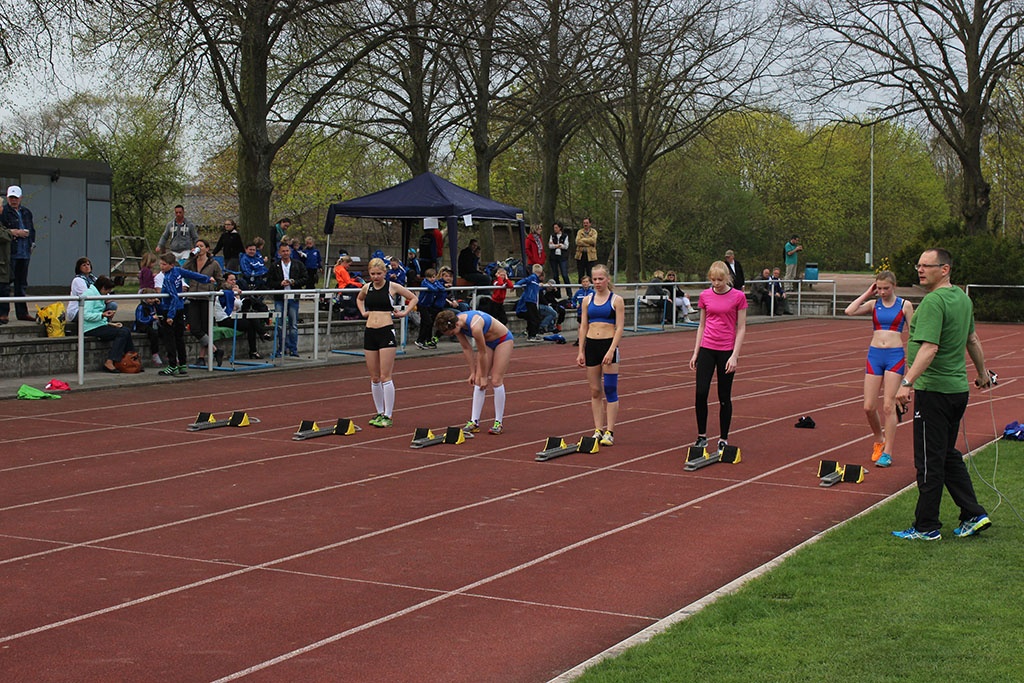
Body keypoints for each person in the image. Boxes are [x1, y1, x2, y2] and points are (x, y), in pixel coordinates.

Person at [892, 248, 993, 541]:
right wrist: (982, 373)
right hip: (956, 391)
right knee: (946, 454)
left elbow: (929, 348)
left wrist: (906, 382)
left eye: (927, 265)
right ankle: (973, 513)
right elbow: (972, 339)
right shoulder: (962, 298)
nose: (920, 270)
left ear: (945, 269)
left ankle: (926, 526)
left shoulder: (934, 302)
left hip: (934, 391)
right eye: (918, 265)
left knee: (929, 460)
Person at [844, 271, 915, 468]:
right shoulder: (874, 304)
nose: (883, 292)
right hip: (875, 355)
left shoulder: (905, 305)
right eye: (880, 289)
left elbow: (914, 334)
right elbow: (849, 311)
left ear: (894, 286)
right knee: (868, 407)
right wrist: (868, 293)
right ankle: (879, 439)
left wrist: (910, 367)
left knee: (888, 406)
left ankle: (888, 452)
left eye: (886, 288)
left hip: (894, 356)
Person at [689, 260, 747, 455]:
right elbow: (702, 325)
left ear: (727, 278)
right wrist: (696, 352)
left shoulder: (738, 296)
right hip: (707, 347)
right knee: (701, 392)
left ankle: (723, 438)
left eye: (720, 280)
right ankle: (701, 436)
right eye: (713, 280)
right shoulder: (705, 296)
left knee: (724, 396)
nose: (716, 283)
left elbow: (741, 327)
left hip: (726, 350)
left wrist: (735, 356)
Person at [357, 257, 418, 427]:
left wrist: (405, 312)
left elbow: (413, 298)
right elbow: (359, 299)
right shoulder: (367, 287)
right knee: (374, 377)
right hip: (370, 332)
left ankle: (388, 415)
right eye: (372, 274)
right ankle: (379, 412)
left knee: (385, 376)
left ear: (385, 272)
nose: (376, 277)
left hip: (386, 332)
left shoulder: (392, 286)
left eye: (379, 273)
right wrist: (363, 312)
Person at [433, 308, 514, 435]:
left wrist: (484, 376)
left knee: (496, 380)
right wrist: (473, 372)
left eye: (452, 332)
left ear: (456, 325)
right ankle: (474, 421)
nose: (453, 334)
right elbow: (466, 348)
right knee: (477, 380)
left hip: (503, 340)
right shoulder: (457, 324)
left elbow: (482, 353)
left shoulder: (475, 326)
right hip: (488, 342)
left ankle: (498, 422)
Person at [576, 264, 625, 446]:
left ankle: (610, 431)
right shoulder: (587, 300)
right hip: (592, 346)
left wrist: (612, 349)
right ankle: (598, 429)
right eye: (594, 279)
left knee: (610, 388)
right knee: (595, 390)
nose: (597, 282)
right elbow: (583, 326)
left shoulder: (616, 300)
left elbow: (619, 327)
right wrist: (581, 351)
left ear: (607, 279)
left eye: (600, 279)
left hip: (608, 344)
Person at [156, 252, 212, 376]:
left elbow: (174, 297)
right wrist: (207, 279)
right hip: (179, 308)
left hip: (170, 309)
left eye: (164, 264)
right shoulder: (177, 271)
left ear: (171, 265)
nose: (161, 267)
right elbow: (193, 275)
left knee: (170, 339)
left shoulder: (169, 278)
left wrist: (170, 316)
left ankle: (172, 365)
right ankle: (182, 364)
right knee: (179, 337)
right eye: (160, 264)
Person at [82, 275, 137, 373]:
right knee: (123, 332)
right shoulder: (90, 295)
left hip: (98, 325)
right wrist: (102, 315)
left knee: (126, 331)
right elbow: (85, 315)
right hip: (90, 328)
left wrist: (110, 324)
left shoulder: (97, 294)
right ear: (103, 288)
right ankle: (112, 361)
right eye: (108, 291)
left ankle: (131, 360)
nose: (108, 293)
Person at [183, 238, 225, 366]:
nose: (199, 248)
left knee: (205, 328)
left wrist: (216, 288)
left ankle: (201, 357)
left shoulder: (213, 264)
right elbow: (182, 270)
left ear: (207, 249)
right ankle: (215, 350)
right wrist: (191, 257)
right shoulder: (192, 262)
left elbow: (220, 280)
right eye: (197, 246)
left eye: (201, 246)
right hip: (193, 297)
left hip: (206, 298)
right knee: (195, 328)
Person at [268, 243, 308, 357]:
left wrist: (293, 282)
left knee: (293, 324)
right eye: (283, 251)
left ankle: (293, 349)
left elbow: (305, 278)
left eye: (287, 251)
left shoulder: (298, 264)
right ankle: (281, 348)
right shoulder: (274, 266)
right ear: (279, 253)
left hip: (293, 297)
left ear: (290, 252)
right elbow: (269, 282)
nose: (285, 253)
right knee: (280, 324)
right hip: (280, 298)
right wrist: (279, 283)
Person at [3, 185, 36, 321]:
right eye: (11, 198)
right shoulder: (3, 212)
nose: (13, 200)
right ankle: (3, 313)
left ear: (21, 198)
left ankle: (22, 313)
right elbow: (2, 231)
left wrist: (32, 244)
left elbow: (32, 230)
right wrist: (15, 232)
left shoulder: (27, 212)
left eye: (16, 198)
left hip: (24, 253)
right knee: (5, 284)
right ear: (7, 198)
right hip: (10, 253)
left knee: (21, 284)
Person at [414, 268, 445, 350]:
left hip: (428, 305)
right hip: (422, 305)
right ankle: (420, 340)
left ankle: (422, 340)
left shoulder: (435, 282)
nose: (432, 279)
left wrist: (437, 285)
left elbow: (442, 288)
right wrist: (436, 286)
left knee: (426, 322)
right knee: (427, 321)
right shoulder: (424, 282)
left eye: (433, 277)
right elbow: (433, 289)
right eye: (430, 277)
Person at [133, 288, 164, 367]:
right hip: (143, 326)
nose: (152, 301)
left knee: (165, 331)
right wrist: (151, 318)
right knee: (153, 333)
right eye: (150, 299)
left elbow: (162, 312)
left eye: (153, 298)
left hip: (154, 324)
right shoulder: (141, 307)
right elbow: (140, 319)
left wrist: (159, 304)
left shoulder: (154, 306)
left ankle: (169, 351)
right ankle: (155, 354)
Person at [515, 263, 545, 342]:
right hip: (530, 300)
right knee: (533, 318)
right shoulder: (533, 277)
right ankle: (531, 335)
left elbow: (535, 288)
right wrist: (515, 285)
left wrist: (542, 287)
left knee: (536, 317)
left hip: (533, 300)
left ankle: (534, 333)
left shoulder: (536, 280)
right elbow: (525, 280)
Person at [66, 257, 98, 324]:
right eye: (84, 265)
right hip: (78, 310)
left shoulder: (94, 279)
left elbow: (104, 290)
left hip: (93, 307)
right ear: (79, 268)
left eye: (88, 264)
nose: (87, 267)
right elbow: (87, 296)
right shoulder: (77, 280)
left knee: (111, 305)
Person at [570, 274, 593, 346]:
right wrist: (575, 305)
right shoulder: (578, 292)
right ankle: (579, 339)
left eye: (587, 281)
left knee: (589, 325)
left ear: (589, 283)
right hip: (581, 312)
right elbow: (573, 300)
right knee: (580, 325)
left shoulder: (593, 292)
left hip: (589, 312)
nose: (585, 283)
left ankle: (588, 339)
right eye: (583, 282)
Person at [547, 222, 570, 292]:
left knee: (564, 275)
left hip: (562, 257)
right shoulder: (552, 236)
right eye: (554, 228)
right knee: (555, 275)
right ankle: (557, 292)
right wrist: (558, 245)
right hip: (554, 257)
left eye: (556, 227)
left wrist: (556, 245)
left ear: (560, 228)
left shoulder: (565, 236)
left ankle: (569, 292)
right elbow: (550, 246)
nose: (555, 229)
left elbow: (566, 246)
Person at [574, 218, 598, 283]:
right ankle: (581, 288)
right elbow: (577, 242)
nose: (585, 224)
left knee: (590, 273)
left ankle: (590, 288)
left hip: (590, 256)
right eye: (584, 223)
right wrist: (588, 243)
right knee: (580, 274)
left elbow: (593, 241)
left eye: (587, 223)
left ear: (590, 224)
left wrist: (583, 240)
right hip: (580, 256)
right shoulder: (580, 232)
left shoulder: (594, 232)